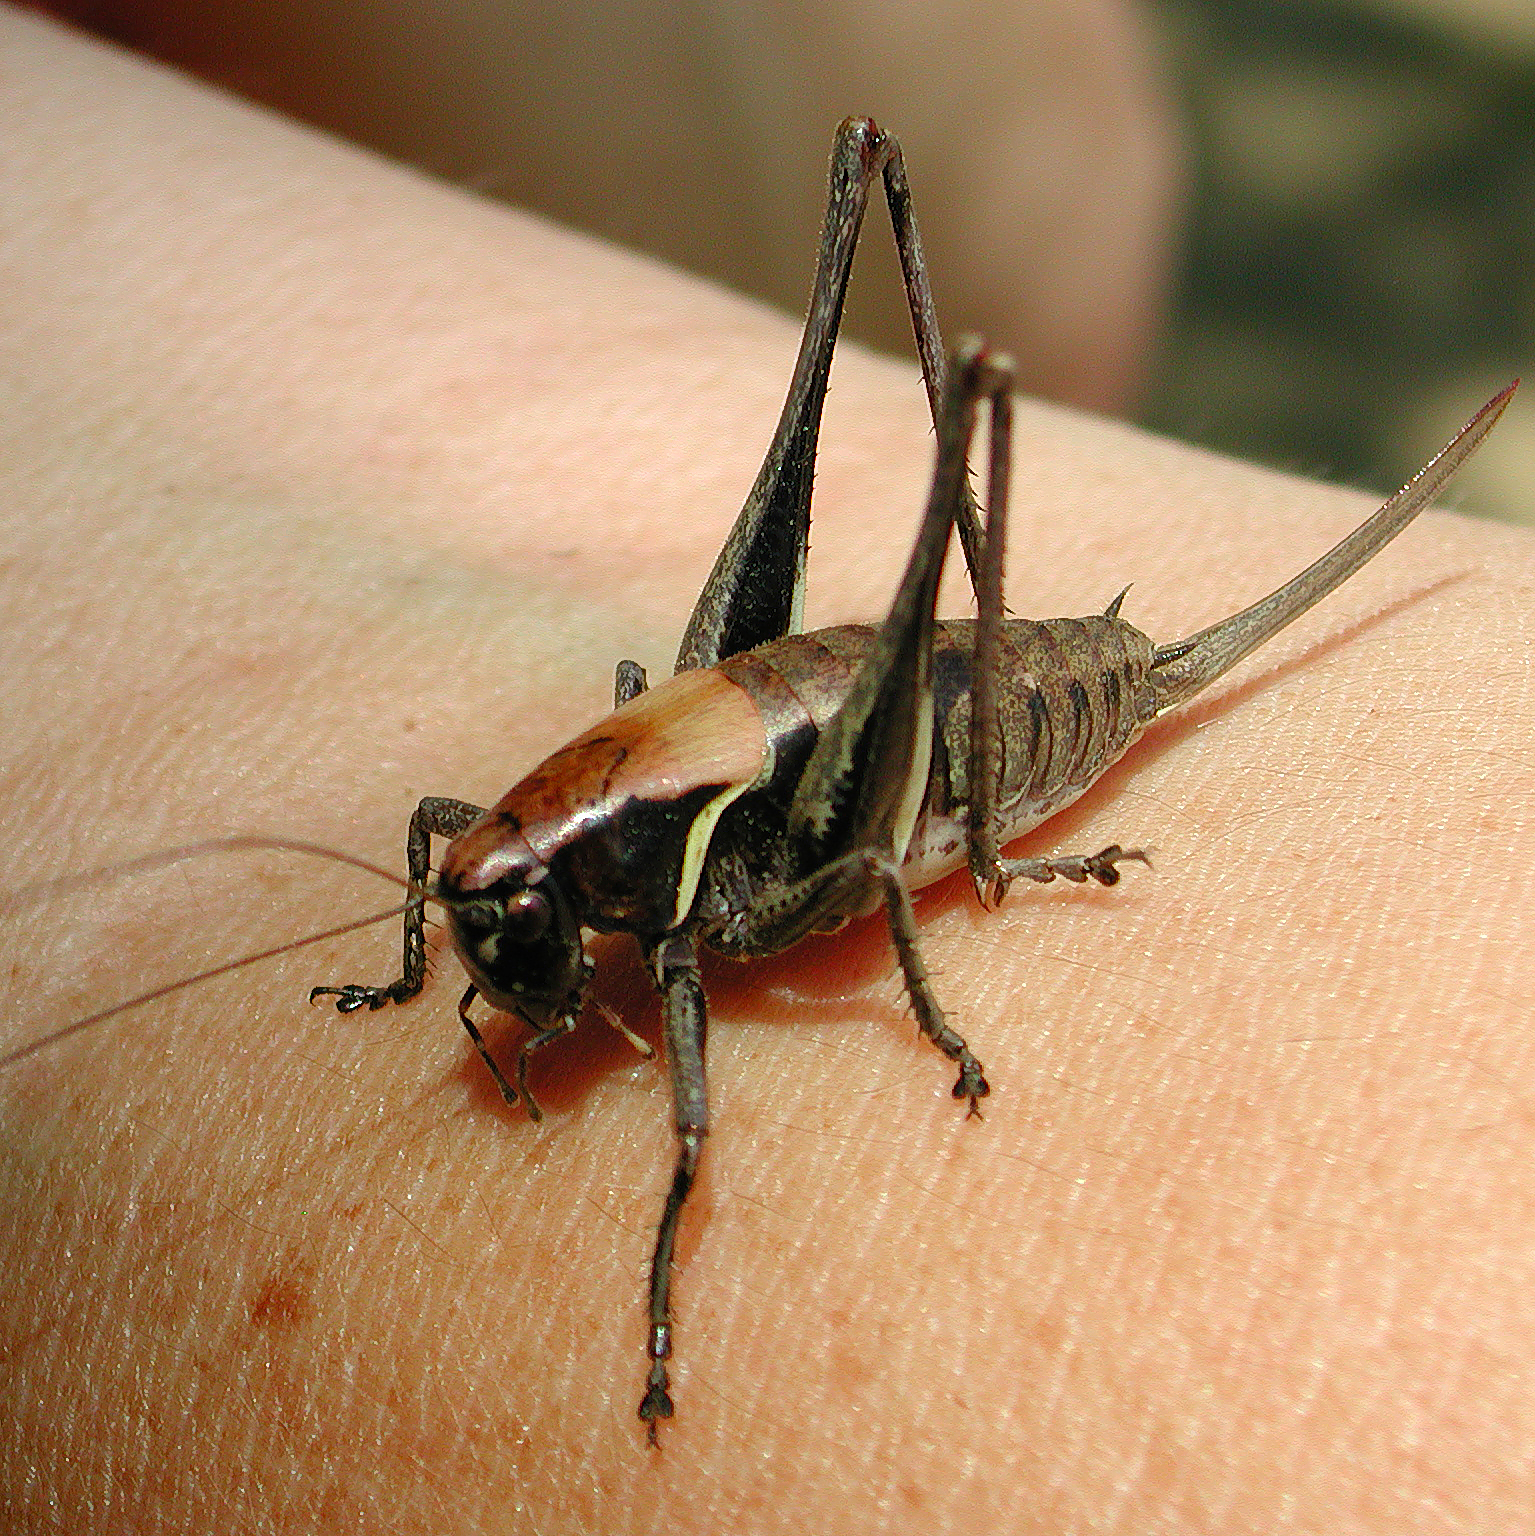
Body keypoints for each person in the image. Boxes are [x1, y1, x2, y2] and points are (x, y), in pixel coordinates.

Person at [3, 8, 1532, 1530]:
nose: (500, 938)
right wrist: (430, 961)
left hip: (936, 740)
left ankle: (992, 825)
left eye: (499, 924)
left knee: (863, 838)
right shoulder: (505, 841)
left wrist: (946, 981)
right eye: (488, 918)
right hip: (765, 722)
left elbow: (857, 871)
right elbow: (440, 830)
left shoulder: (697, 932)